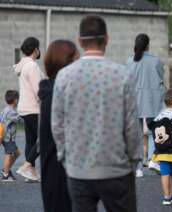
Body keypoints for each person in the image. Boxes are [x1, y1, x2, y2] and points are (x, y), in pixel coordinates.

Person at [51, 16, 140, 212]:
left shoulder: (65, 76)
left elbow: (57, 124)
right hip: (116, 168)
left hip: (78, 168)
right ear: (107, 39)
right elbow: (132, 125)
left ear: (80, 41)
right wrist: (134, 160)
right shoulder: (121, 74)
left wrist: (65, 157)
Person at [39, 40, 79, 212]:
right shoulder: (58, 95)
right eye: (76, 61)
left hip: (56, 173)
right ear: (66, 64)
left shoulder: (53, 91)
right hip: (61, 175)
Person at [127, 33, 165, 177]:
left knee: (136, 135)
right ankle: (152, 160)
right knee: (154, 131)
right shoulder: (156, 61)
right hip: (153, 100)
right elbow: (161, 78)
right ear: (148, 45)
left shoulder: (130, 61)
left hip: (134, 101)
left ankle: (137, 168)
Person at [15, 37, 44, 182]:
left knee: (31, 141)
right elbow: (38, 90)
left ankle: (30, 173)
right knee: (43, 139)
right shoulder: (32, 66)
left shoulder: (23, 65)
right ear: (35, 50)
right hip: (34, 108)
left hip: (24, 108)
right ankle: (27, 167)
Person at [0, 90, 21, 181]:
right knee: (9, 154)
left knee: (17, 153)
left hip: (5, 136)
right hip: (8, 137)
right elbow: (19, 119)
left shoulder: (5, 109)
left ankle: (6, 170)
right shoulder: (12, 112)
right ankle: (5, 173)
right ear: (16, 100)